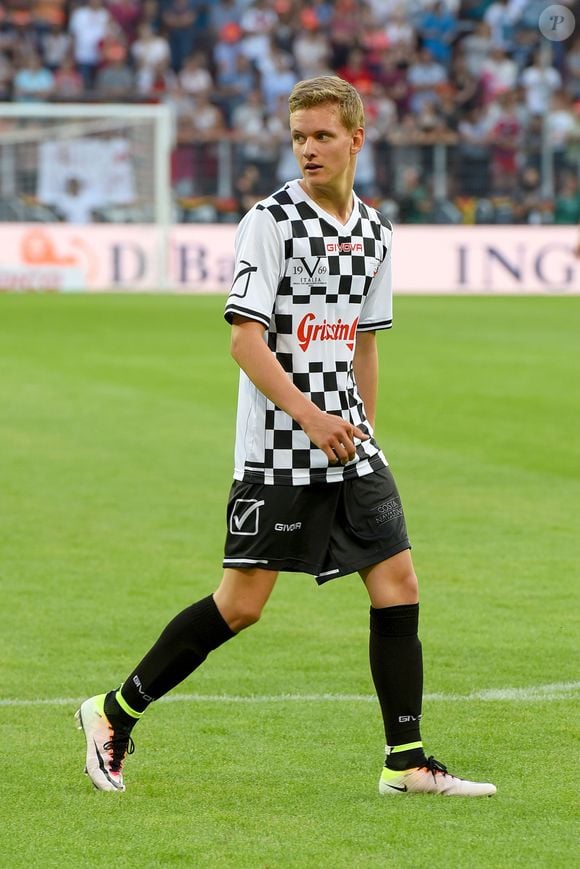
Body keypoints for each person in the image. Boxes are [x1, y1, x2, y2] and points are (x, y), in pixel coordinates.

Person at [76, 75, 497, 799]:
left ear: (356, 139)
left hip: (347, 441)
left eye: (323, 136)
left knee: (397, 582)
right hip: (278, 443)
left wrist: (363, 423)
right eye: (299, 137)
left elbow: (365, 339)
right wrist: (310, 415)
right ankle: (112, 713)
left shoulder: (376, 232)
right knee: (241, 604)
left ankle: (407, 758)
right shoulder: (269, 223)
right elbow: (246, 341)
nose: (308, 149)